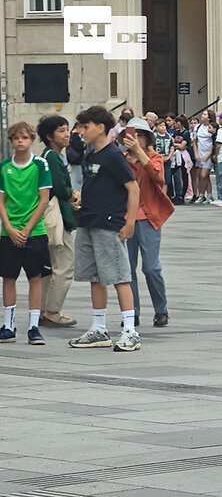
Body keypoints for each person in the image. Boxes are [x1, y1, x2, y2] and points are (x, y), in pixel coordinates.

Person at [67, 105, 141, 352]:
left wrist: (129, 221)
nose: (80, 132)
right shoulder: (90, 154)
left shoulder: (113, 155)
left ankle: (130, 330)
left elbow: (133, 188)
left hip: (109, 223)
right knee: (95, 277)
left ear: (101, 128)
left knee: (119, 276)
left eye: (84, 127)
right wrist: (80, 199)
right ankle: (99, 328)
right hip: (88, 221)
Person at [0, 122, 53, 345]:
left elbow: (44, 200)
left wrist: (27, 228)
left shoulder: (40, 165)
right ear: (11, 141)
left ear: (31, 140)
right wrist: (10, 228)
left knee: (35, 277)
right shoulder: (3, 167)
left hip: (35, 230)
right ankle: (8, 324)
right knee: (8, 277)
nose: (20, 141)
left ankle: (33, 326)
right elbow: (1, 201)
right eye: (16, 138)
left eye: (24, 137)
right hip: (8, 231)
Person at [120, 117, 174, 328]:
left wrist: (140, 153)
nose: (136, 140)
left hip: (149, 218)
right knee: (128, 268)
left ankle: (161, 309)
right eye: (132, 136)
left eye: (140, 136)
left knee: (151, 267)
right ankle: (132, 312)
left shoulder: (154, 157)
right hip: (127, 219)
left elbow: (158, 176)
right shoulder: (122, 160)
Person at [37, 115, 81, 329]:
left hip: (48, 217)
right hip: (57, 219)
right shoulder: (53, 157)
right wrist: (71, 194)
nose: (67, 134)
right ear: (49, 136)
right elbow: (59, 188)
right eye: (62, 130)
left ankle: (44, 309)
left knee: (50, 267)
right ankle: (52, 311)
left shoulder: (46, 155)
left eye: (67, 130)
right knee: (64, 265)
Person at [192, 110, 215, 204]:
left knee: (204, 175)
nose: (202, 115)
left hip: (208, 155)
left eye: (205, 114)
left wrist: (208, 155)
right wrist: (196, 153)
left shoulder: (211, 128)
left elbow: (214, 143)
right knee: (202, 176)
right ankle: (207, 195)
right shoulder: (197, 127)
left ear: (209, 118)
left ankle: (202, 194)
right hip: (199, 154)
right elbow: (194, 142)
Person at [168, 116, 192, 205]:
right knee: (170, 174)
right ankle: (172, 195)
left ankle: (182, 195)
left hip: (183, 155)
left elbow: (183, 145)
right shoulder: (176, 132)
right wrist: (176, 145)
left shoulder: (186, 133)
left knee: (184, 175)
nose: (175, 124)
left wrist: (175, 145)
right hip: (176, 155)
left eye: (176, 122)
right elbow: (172, 142)